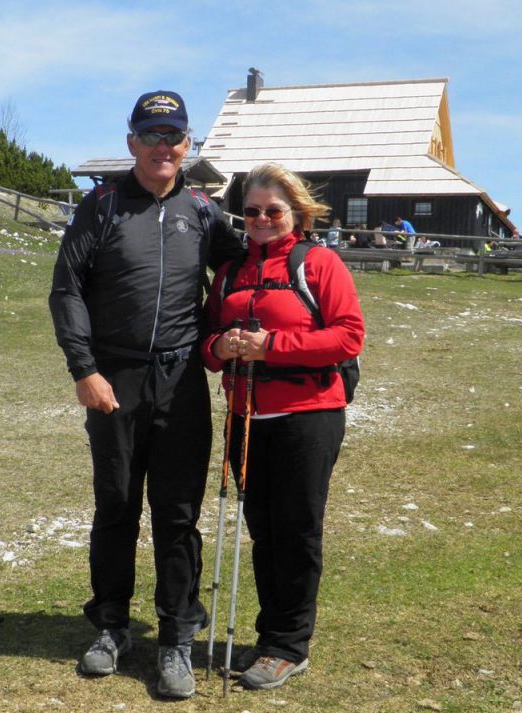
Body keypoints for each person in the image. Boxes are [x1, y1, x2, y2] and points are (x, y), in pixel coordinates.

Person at [48, 90, 244, 699]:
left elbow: (250, 273)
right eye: (151, 136)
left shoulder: (202, 211)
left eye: (174, 137)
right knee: (116, 505)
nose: (164, 147)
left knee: (178, 512)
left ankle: (177, 636)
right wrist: (85, 368)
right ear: (131, 142)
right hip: (115, 378)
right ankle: (110, 625)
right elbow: (67, 290)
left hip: (182, 378)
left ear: (188, 146)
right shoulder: (102, 207)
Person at [200, 163, 365, 691]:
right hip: (245, 418)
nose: (262, 219)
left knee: (295, 531)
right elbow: (205, 344)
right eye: (251, 212)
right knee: (264, 531)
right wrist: (220, 348)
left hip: (308, 417)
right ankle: (269, 636)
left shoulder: (318, 263)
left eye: (273, 210)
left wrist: (272, 346)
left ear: (295, 212)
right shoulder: (230, 273)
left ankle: (289, 645)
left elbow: (347, 338)